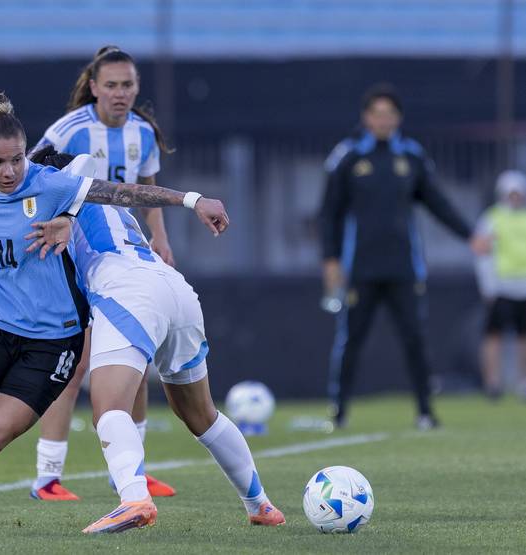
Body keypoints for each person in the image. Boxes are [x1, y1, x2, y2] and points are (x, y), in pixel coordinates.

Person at [0, 92, 228, 533]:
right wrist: (68, 214)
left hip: (52, 344)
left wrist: (192, 201)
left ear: (28, 155)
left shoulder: (50, 183)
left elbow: (121, 191)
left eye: (17, 160)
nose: (8, 172)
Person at [29, 147, 285, 533]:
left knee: (109, 407)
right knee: (201, 416)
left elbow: (79, 166)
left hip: (129, 292)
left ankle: (134, 499)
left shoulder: (61, 190)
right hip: (174, 288)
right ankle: (260, 505)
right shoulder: (104, 206)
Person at [27, 46, 176, 501]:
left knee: (137, 357)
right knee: (74, 364)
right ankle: (47, 477)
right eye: (110, 85)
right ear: (93, 87)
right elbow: (28, 179)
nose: (120, 93)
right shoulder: (68, 131)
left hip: (123, 260)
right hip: (74, 259)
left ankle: (130, 471)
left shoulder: (142, 134)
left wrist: (161, 238)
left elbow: (145, 189)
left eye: (127, 85)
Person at [319, 83, 483, 431]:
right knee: (351, 340)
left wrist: (470, 235)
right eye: (376, 113)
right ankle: (339, 411)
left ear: (399, 118)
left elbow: (437, 203)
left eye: (389, 114)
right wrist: (331, 261)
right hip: (360, 268)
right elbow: (329, 213)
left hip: (404, 268)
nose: (383, 120)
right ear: (366, 117)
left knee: (415, 338)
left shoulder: (411, 156)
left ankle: (426, 412)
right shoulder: (348, 157)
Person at [473, 170, 526, 400]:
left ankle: (522, 382)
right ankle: (492, 382)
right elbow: (483, 255)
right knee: (493, 335)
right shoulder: (491, 218)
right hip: (501, 287)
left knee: (523, 336)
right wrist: (488, 285)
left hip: (524, 286)